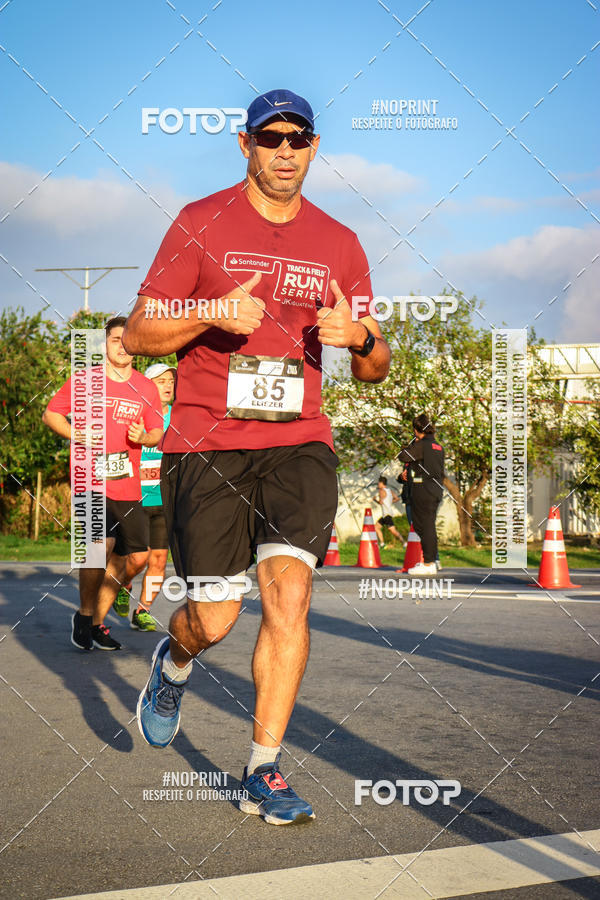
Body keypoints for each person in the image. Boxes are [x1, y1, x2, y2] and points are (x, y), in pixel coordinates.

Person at [123, 88, 390, 825]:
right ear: (244, 145)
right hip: (208, 443)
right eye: (269, 138)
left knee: (289, 599)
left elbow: (376, 363)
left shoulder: (340, 242)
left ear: (313, 147)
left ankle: (263, 771)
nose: (283, 151)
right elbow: (141, 332)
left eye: (297, 139)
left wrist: (359, 339)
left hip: (299, 441)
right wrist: (206, 312)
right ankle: (174, 663)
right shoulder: (198, 222)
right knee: (214, 618)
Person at [42, 318, 164, 650]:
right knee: (99, 547)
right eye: (115, 340)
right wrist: (75, 433)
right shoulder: (85, 380)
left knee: (135, 558)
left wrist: (145, 436)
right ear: (104, 345)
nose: (122, 346)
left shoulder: (146, 387)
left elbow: (157, 430)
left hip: (127, 482)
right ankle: (85, 616)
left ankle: (97, 620)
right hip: (89, 479)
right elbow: (51, 413)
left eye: (128, 341)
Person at [113, 363, 175, 632]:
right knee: (137, 559)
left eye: (171, 380)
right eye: (160, 380)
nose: (168, 385)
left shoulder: (180, 417)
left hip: (165, 500)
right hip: (135, 498)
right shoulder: (133, 415)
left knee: (159, 559)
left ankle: (144, 611)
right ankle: (122, 586)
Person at [397, 414, 444, 576]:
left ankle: (429, 562)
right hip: (436, 489)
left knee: (423, 525)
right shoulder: (438, 446)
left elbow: (403, 456)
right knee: (428, 525)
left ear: (417, 429)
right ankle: (432, 561)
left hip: (423, 489)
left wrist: (409, 446)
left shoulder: (421, 445)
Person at [373, 476, 401, 548]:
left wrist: (375, 500)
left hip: (386, 514)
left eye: (379, 483)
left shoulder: (381, 491)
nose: (378, 484)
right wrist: (389, 502)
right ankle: (382, 544)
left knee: (393, 530)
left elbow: (381, 502)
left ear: (382, 483)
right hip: (386, 514)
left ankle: (404, 543)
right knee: (376, 527)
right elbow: (397, 498)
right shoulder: (389, 491)